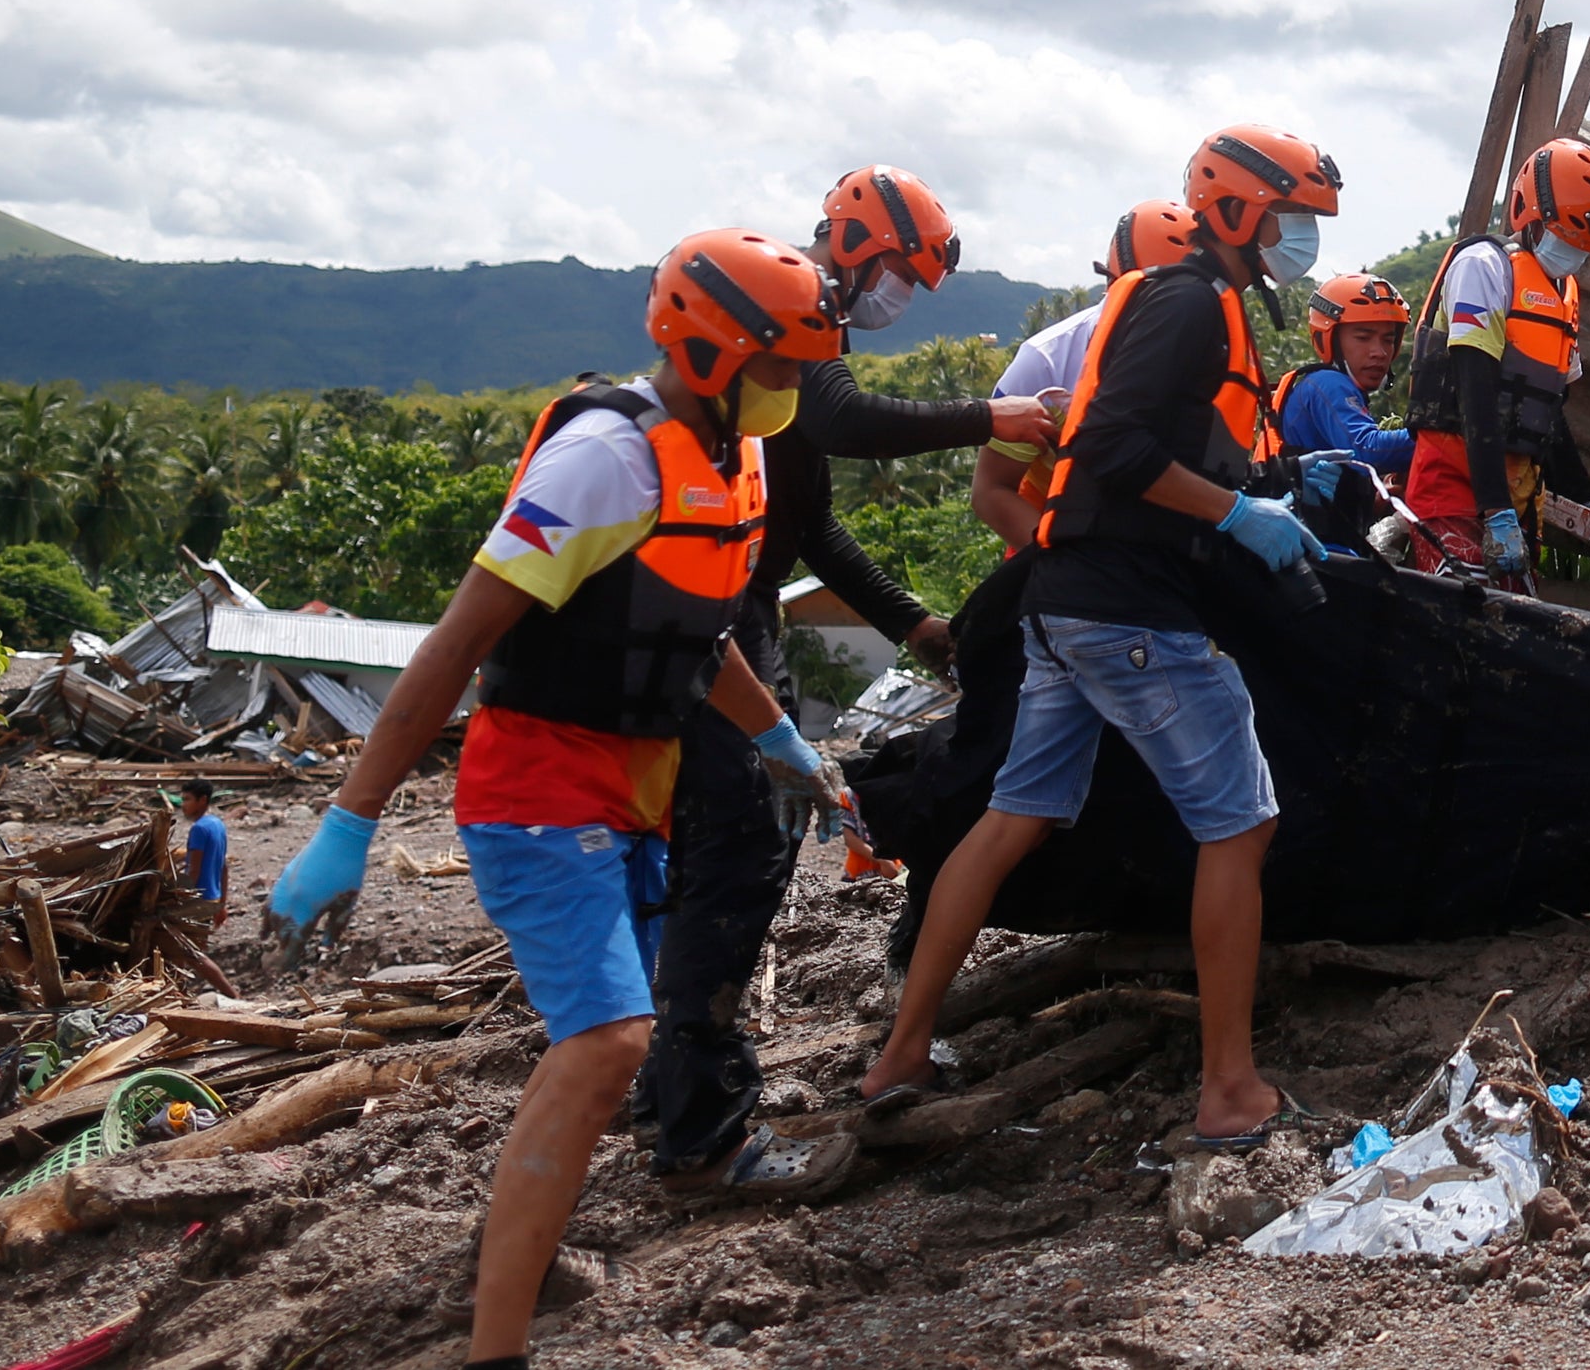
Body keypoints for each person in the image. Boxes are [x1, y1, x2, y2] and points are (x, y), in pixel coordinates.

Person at [263, 230, 860, 1370]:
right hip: (535, 788)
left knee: (612, 1050)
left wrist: (778, 734)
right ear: (707, 347)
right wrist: (348, 820)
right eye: (776, 368)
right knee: (604, 1040)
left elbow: (698, 627)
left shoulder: (730, 452)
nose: (789, 392)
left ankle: (522, 1274)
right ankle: (496, 1346)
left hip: (637, 789)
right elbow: (455, 644)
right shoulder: (602, 459)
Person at [859, 126, 1344, 1146]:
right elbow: (1115, 445)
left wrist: (1273, 493)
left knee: (1014, 812)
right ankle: (1229, 1089)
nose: (1302, 237)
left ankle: (901, 1052)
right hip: (1128, 606)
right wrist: (1231, 516)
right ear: (1237, 209)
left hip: (1065, 599)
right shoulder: (1187, 302)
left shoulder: (1195, 305)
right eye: (1293, 216)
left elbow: (1154, 443)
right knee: (1238, 824)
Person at [639, 164, 1059, 1188]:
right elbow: (849, 423)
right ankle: (702, 1132)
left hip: (742, 605)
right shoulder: (792, 322)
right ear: (857, 248)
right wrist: (992, 416)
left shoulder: (803, 347)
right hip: (711, 612)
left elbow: (808, 516)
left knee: (733, 849)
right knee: (740, 848)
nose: (898, 299)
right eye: (899, 276)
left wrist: (911, 621)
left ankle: (673, 1084)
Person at [1397, 138, 1590, 588]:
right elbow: (1474, 394)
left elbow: (1548, 409)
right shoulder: (1483, 266)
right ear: (1532, 216)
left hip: (1517, 500)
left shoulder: (1565, 294)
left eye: (1584, 245)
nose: (1572, 252)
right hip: (1453, 489)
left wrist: (1586, 503)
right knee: (1468, 626)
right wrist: (1494, 509)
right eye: (1566, 237)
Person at [969, 198, 1195, 555]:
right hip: (1051, 561)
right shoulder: (1047, 360)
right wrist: (1064, 563)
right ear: (1115, 286)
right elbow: (991, 490)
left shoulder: (1206, 348)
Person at [1273, 271, 1416, 478]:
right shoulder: (1328, 384)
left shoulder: (1323, 386)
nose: (1380, 352)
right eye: (1363, 338)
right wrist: (1435, 433)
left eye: (1387, 340)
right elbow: (1367, 450)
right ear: (1330, 340)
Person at [178, 781, 229, 931]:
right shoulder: (217, 824)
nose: (183, 805)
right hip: (213, 898)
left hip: (199, 900)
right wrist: (222, 904)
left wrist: (183, 899)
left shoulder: (199, 829)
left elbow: (194, 870)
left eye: (187, 799)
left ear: (202, 800)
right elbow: (223, 867)